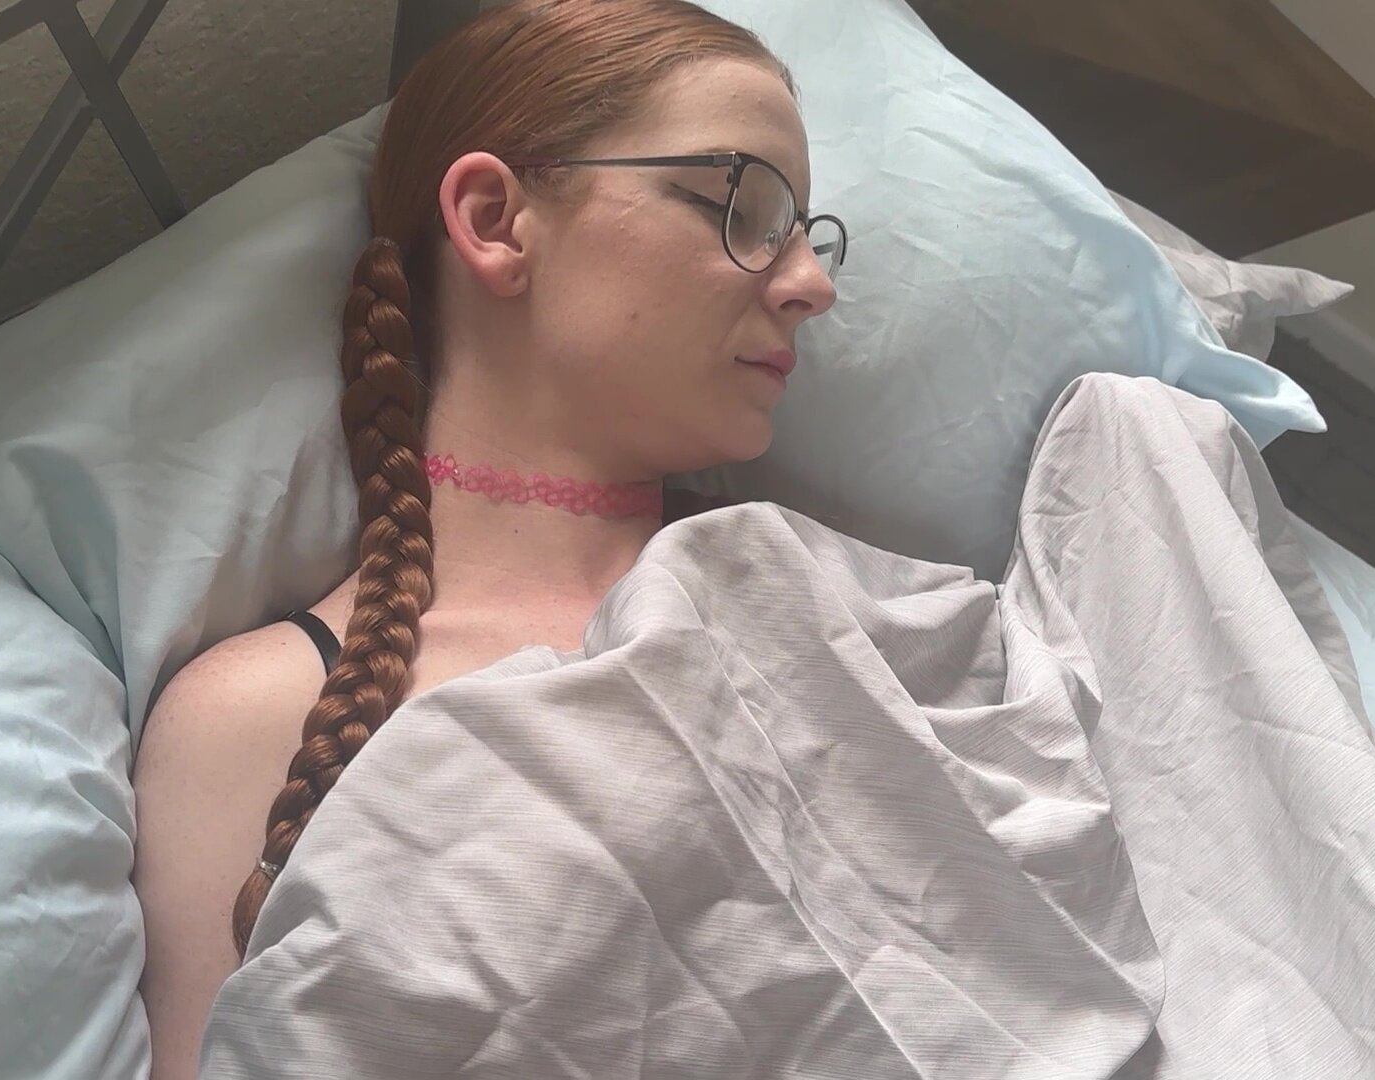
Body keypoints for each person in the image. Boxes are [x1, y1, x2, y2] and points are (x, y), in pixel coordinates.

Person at [131, 1, 844, 1075]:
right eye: (745, 207)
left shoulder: (823, 599)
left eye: (808, 235)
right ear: (496, 219)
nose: (812, 286)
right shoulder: (258, 722)